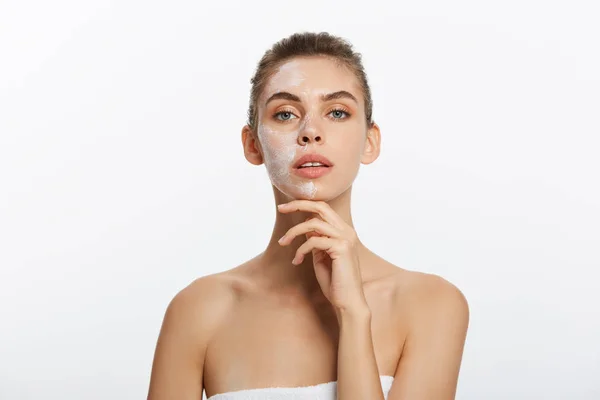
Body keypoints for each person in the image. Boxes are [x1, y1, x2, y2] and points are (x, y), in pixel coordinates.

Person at [147, 31, 469, 400]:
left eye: (337, 112)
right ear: (253, 145)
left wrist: (353, 315)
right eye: (285, 114)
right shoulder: (199, 310)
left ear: (370, 141)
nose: (311, 132)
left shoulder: (431, 304)